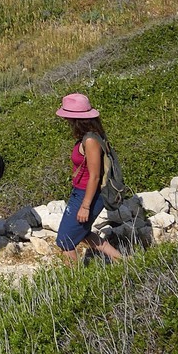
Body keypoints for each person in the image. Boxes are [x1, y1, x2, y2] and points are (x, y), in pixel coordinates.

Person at [54, 92, 125, 266]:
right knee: (82, 233)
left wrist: (85, 206)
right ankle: (122, 261)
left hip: (88, 195)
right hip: (82, 192)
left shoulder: (91, 140)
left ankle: (72, 281)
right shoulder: (89, 136)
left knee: (65, 241)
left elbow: (94, 176)